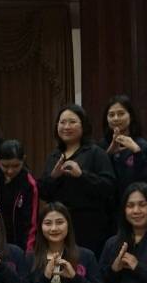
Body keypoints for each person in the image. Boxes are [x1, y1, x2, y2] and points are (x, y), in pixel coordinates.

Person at [39, 104, 116, 253]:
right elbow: (43, 192)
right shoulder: (54, 156)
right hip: (59, 226)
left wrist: (82, 175)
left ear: (83, 125)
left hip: (90, 226)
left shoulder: (96, 153)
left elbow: (109, 187)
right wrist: (54, 177)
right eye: (62, 122)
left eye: (72, 122)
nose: (66, 127)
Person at [0, 140, 38, 253]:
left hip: (18, 242)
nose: (10, 171)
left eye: (16, 166)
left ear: (23, 160)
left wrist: (28, 251)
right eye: (5, 166)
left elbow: (31, 223)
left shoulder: (29, 184)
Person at [103, 95, 147, 195]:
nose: (116, 118)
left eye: (121, 114)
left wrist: (137, 152)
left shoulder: (143, 146)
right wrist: (109, 153)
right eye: (111, 115)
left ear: (131, 116)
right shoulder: (100, 146)